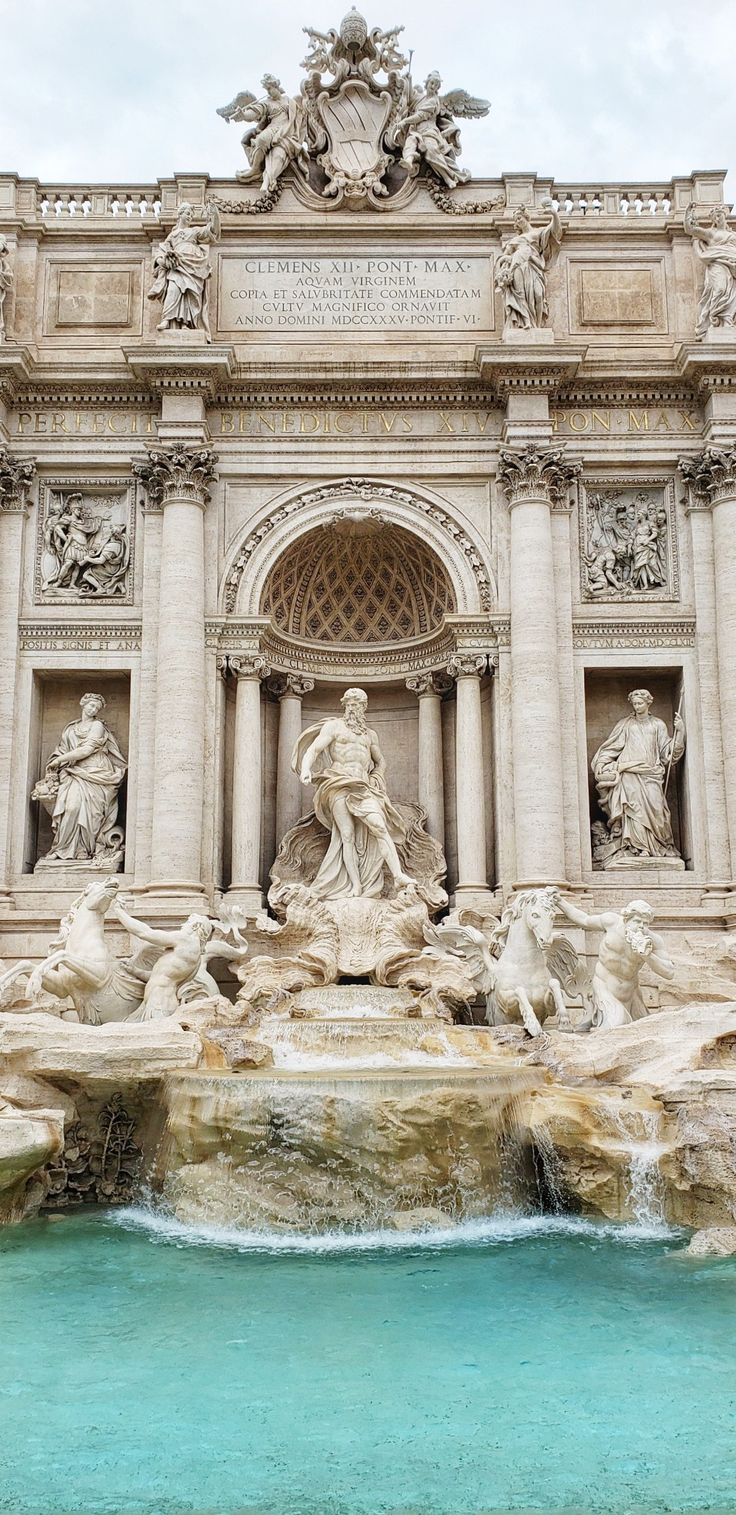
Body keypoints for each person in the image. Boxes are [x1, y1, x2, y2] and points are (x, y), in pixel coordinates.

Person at [293, 687, 414, 899]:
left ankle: (398, 876)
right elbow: (314, 750)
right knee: (346, 835)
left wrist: (377, 776)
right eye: (349, 703)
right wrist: (305, 769)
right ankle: (355, 886)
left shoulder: (370, 735)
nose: (353, 708)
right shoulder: (334, 727)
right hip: (338, 783)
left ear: (364, 707)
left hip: (363, 786)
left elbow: (381, 761)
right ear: (344, 705)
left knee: (379, 826)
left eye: (357, 704)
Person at [591, 689, 685, 861]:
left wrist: (680, 733)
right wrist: (602, 764)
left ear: (648, 703)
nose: (637, 706)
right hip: (629, 774)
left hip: (651, 774)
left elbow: (668, 754)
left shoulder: (658, 725)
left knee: (657, 811)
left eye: (640, 703)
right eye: (634, 704)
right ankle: (637, 847)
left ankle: (657, 846)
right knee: (633, 811)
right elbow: (611, 748)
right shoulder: (625, 724)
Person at [555, 895, 674, 1030]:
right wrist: (560, 902)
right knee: (616, 1026)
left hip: (632, 994)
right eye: (637, 921)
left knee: (644, 1029)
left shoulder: (653, 940)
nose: (641, 927)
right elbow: (584, 920)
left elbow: (669, 972)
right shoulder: (611, 922)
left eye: (645, 923)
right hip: (604, 987)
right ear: (626, 919)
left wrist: (648, 956)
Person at [40, 693, 127, 864]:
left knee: (92, 813)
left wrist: (59, 761)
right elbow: (62, 750)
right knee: (71, 808)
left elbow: (86, 750)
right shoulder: (70, 729)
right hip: (74, 772)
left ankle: (84, 850)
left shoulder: (97, 726)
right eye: (91, 705)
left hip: (96, 772)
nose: (93, 709)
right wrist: (57, 761)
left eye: (97, 708)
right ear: (83, 703)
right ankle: (62, 849)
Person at [111, 905, 214, 1021]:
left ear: (195, 926)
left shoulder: (185, 939)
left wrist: (119, 912)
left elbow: (145, 933)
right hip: (158, 1002)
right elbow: (160, 976)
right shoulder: (194, 955)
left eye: (187, 923)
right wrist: (134, 971)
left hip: (159, 1004)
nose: (183, 926)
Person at [148, 202, 219, 341]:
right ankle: (167, 320)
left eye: (191, 215)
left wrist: (213, 214)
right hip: (177, 265)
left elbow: (212, 231)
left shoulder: (194, 231)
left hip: (193, 266)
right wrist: (165, 261)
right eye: (187, 214)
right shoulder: (172, 235)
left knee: (191, 293)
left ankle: (188, 323)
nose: (190, 217)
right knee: (173, 290)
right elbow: (160, 253)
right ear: (180, 214)